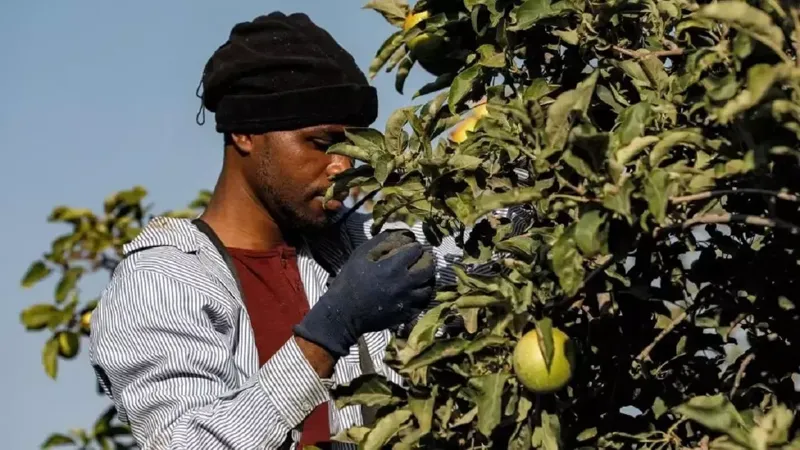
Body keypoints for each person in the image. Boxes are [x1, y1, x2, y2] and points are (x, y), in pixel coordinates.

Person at [88, 11, 464, 450]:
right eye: (321, 144)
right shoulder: (162, 282)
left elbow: (494, 256)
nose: (343, 167)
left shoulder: (356, 242)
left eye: (352, 147)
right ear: (245, 132)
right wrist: (330, 331)